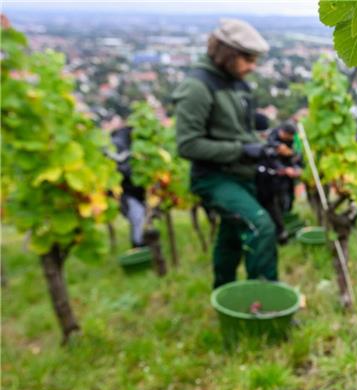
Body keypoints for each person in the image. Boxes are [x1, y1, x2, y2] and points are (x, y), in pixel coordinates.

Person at [173, 18, 284, 288]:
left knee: (231, 237)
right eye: (248, 59)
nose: (252, 67)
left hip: (238, 175)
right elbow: (187, 145)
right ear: (228, 54)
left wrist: (258, 133)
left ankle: (223, 292)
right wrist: (243, 149)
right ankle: (264, 304)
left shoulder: (234, 81)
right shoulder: (197, 87)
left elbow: (233, 127)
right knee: (261, 227)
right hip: (214, 177)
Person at [256, 122, 302, 243]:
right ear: (283, 133)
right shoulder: (271, 140)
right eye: (289, 136)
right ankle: (278, 231)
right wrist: (283, 168)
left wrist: (295, 166)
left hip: (286, 175)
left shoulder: (291, 141)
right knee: (276, 203)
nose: (291, 139)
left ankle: (284, 219)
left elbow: (295, 154)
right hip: (272, 178)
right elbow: (270, 158)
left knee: (289, 198)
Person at [109, 124, 147, 248]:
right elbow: (122, 171)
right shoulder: (119, 145)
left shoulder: (129, 143)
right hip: (125, 192)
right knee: (138, 216)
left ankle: (141, 245)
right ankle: (138, 246)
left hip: (132, 192)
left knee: (140, 217)